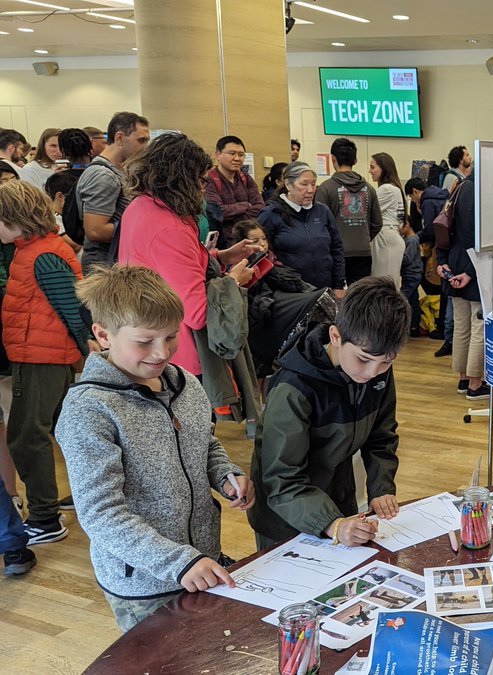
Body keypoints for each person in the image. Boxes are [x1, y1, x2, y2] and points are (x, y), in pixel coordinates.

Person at [56, 265, 254, 632]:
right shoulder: (89, 410)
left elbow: (203, 442)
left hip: (199, 562)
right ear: (104, 335)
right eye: (145, 341)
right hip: (145, 585)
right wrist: (178, 561)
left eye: (170, 336)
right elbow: (101, 515)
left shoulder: (185, 386)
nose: (162, 352)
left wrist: (226, 474)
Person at [247, 276, 408, 550]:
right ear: (336, 336)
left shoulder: (377, 367)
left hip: (335, 501)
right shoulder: (293, 389)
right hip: (284, 520)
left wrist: (381, 489)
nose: (371, 373)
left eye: (385, 362)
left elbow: (381, 436)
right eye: (364, 359)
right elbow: (282, 481)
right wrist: (332, 524)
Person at [118, 132, 256, 377]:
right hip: (178, 355)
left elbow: (168, 268)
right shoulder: (170, 227)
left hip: (147, 336)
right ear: (183, 179)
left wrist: (222, 256)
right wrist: (234, 282)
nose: (204, 188)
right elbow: (198, 313)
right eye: (202, 181)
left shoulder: (140, 206)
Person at [0, 180, 92, 545]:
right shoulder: (34, 249)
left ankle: (44, 518)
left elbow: (73, 309)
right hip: (36, 355)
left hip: (42, 359)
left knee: (26, 438)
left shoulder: (44, 254)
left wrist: (90, 355)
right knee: (53, 433)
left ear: (16, 219)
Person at [76, 111, 150, 271]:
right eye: (141, 141)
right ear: (119, 138)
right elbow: (95, 231)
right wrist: (145, 228)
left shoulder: (117, 171)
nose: (145, 147)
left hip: (114, 262)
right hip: (104, 267)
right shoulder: (104, 175)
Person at [258, 162, 346, 294]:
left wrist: (339, 284)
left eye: (313, 184)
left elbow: (337, 249)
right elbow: (262, 254)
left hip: (325, 288)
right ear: (288, 185)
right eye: (304, 184)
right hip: (290, 292)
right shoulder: (271, 214)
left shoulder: (322, 211)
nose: (310, 190)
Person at [436, 176, 488, 399]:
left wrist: (442, 261)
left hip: (453, 259)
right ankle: (476, 384)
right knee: (479, 326)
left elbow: (443, 226)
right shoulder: (482, 192)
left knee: (461, 326)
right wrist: (470, 272)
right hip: (475, 262)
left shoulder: (458, 188)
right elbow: (480, 237)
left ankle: (463, 379)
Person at [315, 138, 382, 286]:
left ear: (333, 159)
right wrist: (363, 237)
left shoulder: (325, 188)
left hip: (336, 253)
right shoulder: (369, 188)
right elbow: (377, 223)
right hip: (363, 251)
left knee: (334, 297)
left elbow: (319, 224)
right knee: (359, 299)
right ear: (355, 160)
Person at [413, 176, 454, 355]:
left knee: (445, 290)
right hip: (450, 248)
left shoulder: (428, 201)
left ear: (415, 192)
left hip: (440, 251)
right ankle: (447, 333)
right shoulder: (443, 195)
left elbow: (430, 229)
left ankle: (445, 334)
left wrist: (415, 238)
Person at [204, 135, 264, 244]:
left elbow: (260, 207)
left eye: (241, 155)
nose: (237, 158)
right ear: (218, 154)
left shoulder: (246, 178)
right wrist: (246, 205)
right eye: (232, 154)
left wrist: (232, 215)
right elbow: (218, 212)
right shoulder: (209, 180)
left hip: (250, 240)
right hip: (224, 243)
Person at [367, 152, 408, 290]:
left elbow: (366, 210)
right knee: (389, 286)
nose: (369, 171)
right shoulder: (395, 188)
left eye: (372, 167)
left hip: (385, 239)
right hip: (391, 238)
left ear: (383, 168)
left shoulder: (387, 189)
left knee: (382, 288)